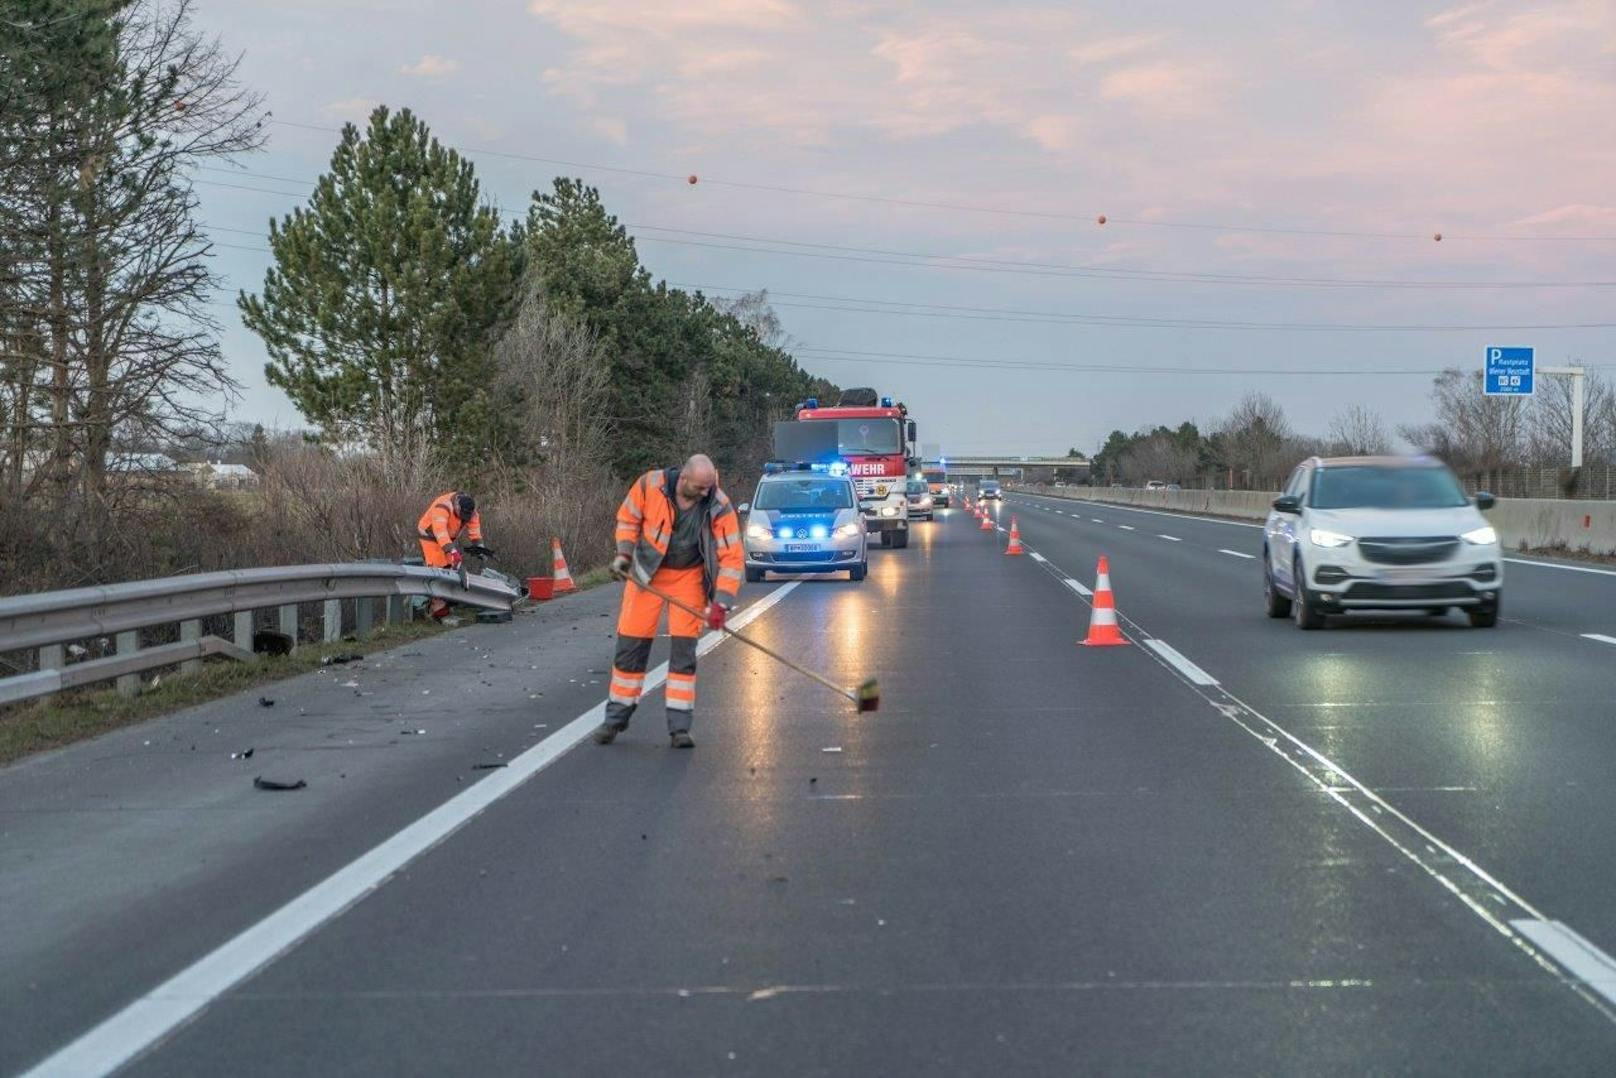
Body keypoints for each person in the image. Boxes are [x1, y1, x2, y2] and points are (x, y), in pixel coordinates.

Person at [593, 454, 744, 749]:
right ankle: (615, 720)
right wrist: (624, 554)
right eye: (700, 488)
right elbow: (627, 519)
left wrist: (721, 604)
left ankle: (679, 728)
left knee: (684, 653)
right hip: (646, 575)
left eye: (708, 488)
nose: (705, 493)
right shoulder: (650, 485)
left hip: (688, 578)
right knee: (630, 648)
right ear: (684, 479)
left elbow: (732, 557)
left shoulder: (718, 504)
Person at [416, 491, 493, 618]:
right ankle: (435, 610)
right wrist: (452, 551)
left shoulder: (471, 512)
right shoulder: (442, 507)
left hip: (448, 540)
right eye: (462, 515)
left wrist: (480, 548)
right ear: (457, 506)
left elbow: (474, 531)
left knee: (452, 570)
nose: (464, 518)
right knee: (441, 570)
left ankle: (446, 606)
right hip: (430, 538)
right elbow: (440, 533)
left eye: (466, 516)